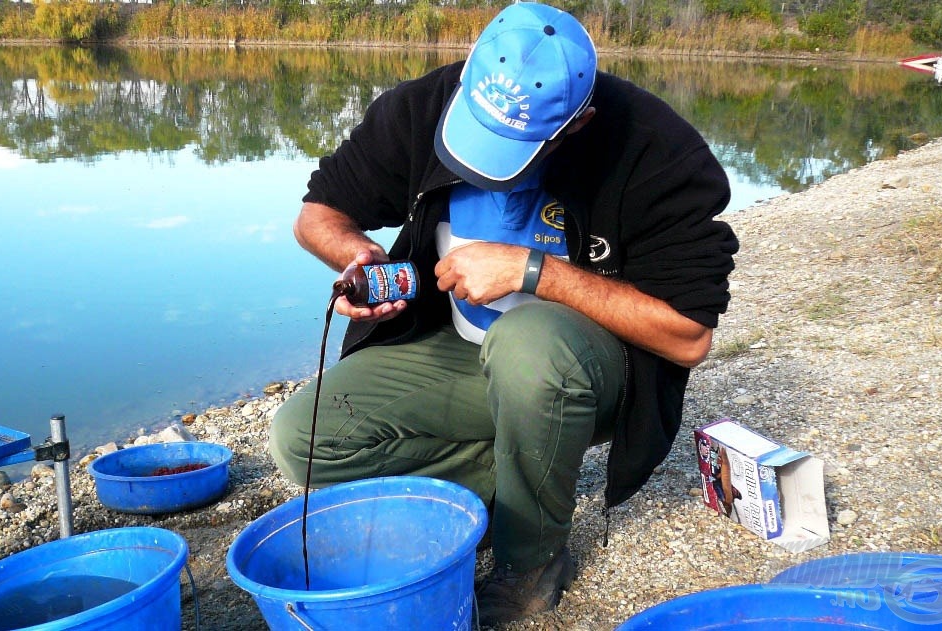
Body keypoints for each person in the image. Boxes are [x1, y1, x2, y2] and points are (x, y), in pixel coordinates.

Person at [270, 1, 738, 625]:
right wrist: (358, 255)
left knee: (527, 344)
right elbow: (316, 214)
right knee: (303, 437)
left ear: (578, 123)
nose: (484, 171)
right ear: (467, 78)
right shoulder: (422, 105)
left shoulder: (655, 151)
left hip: (581, 370)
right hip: (459, 352)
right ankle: (521, 473)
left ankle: (532, 560)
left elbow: (688, 338)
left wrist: (532, 271)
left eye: (512, 150)